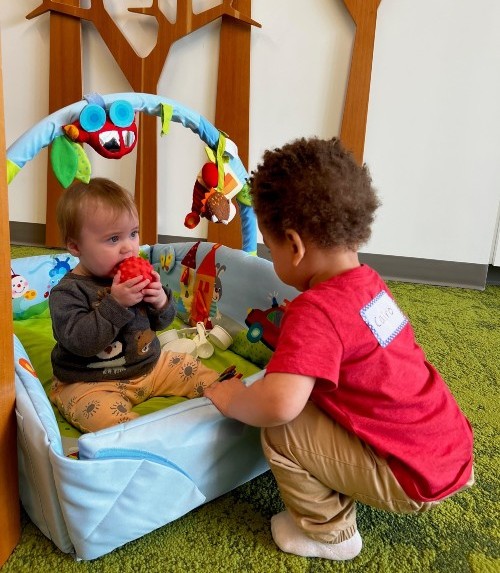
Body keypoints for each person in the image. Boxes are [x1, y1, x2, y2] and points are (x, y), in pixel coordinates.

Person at [205, 137, 474, 561]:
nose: (270, 257)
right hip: (449, 447)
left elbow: (277, 405)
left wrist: (234, 398)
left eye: (270, 248)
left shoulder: (316, 311)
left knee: (282, 427)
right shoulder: (370, 282)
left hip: (409, 475)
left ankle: (330, 534)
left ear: (294, 246)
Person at [49, 177, 220, 434]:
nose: (128, 247)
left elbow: (162, 323)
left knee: (191, 367)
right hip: (90, 381)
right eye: (113, 239)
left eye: (133, 233)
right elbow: (80, 342)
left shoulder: (137, 276)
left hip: (149, 367)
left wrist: (160, 301)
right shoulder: (67, 292)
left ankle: (230, 396)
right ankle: (139, 438)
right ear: (75, 246)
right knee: (100, 415)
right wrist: (115, 303)